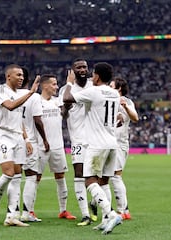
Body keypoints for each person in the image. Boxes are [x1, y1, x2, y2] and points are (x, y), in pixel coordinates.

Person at [63, 62, 123, 235]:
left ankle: (111, 214)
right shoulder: (114, 93)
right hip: (112, 143)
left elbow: (67, 99)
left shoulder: (93, 91)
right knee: (104, 182)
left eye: (93, 74)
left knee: (89, 180)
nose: (91, 76)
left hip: (97, 144)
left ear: (97, 76)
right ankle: (105, 221)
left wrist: (69, 83)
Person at [0, 64, 40, 227]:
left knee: (17, 175)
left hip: (18, 136)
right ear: (8, 76)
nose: (21, 78)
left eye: (23, 76)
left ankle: (11, 215)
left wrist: (26, 139)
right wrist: (31, 93)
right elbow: (10, 106)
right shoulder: (0, 90)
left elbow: (20, 120)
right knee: (9, 173)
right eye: (18, 75)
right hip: (3, 134)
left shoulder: (19, 94)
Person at [58, 58, 93, 226]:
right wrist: (66, 108)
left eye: (85, 67)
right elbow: (63, 115)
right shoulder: (66, 89)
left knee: (96, 176)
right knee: (79, 175)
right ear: (72, 70)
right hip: (78, 138)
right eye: (78, 67)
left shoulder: (94, 85)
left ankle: (96, 204)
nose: (82, 69)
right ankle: (85, 214)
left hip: (95, 138)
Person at [36, 74, 76, 220]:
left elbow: (64, 116)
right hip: (40, 146)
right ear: (45, 86)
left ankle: (63, 210)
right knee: (36, 177)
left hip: (58, 146)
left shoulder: (57, 101)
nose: (56, 87)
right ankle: (30, 210)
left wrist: (66, 107)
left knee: (60, 176)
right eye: (53, 84)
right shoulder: (36, 101)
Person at [18, 68, 50, 223]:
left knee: (15, 177)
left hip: (14, 141)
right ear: (28, 80)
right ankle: (26, 213)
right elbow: (38, 120)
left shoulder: (11, 96)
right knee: (31, 177)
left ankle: (11, 211)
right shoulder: (34, 97)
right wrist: (45, 139)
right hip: (30, 141)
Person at [109, 77, 139, 220]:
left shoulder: (127, 101)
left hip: (119, 143)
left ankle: (124, 210)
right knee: (102, 177)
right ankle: (106, 208)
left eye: (111, 85)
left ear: (119, 88)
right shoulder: (106, 100)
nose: (109, 87)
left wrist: (125, 106)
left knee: (116, 175)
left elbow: (135, 118)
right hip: (105, 142)